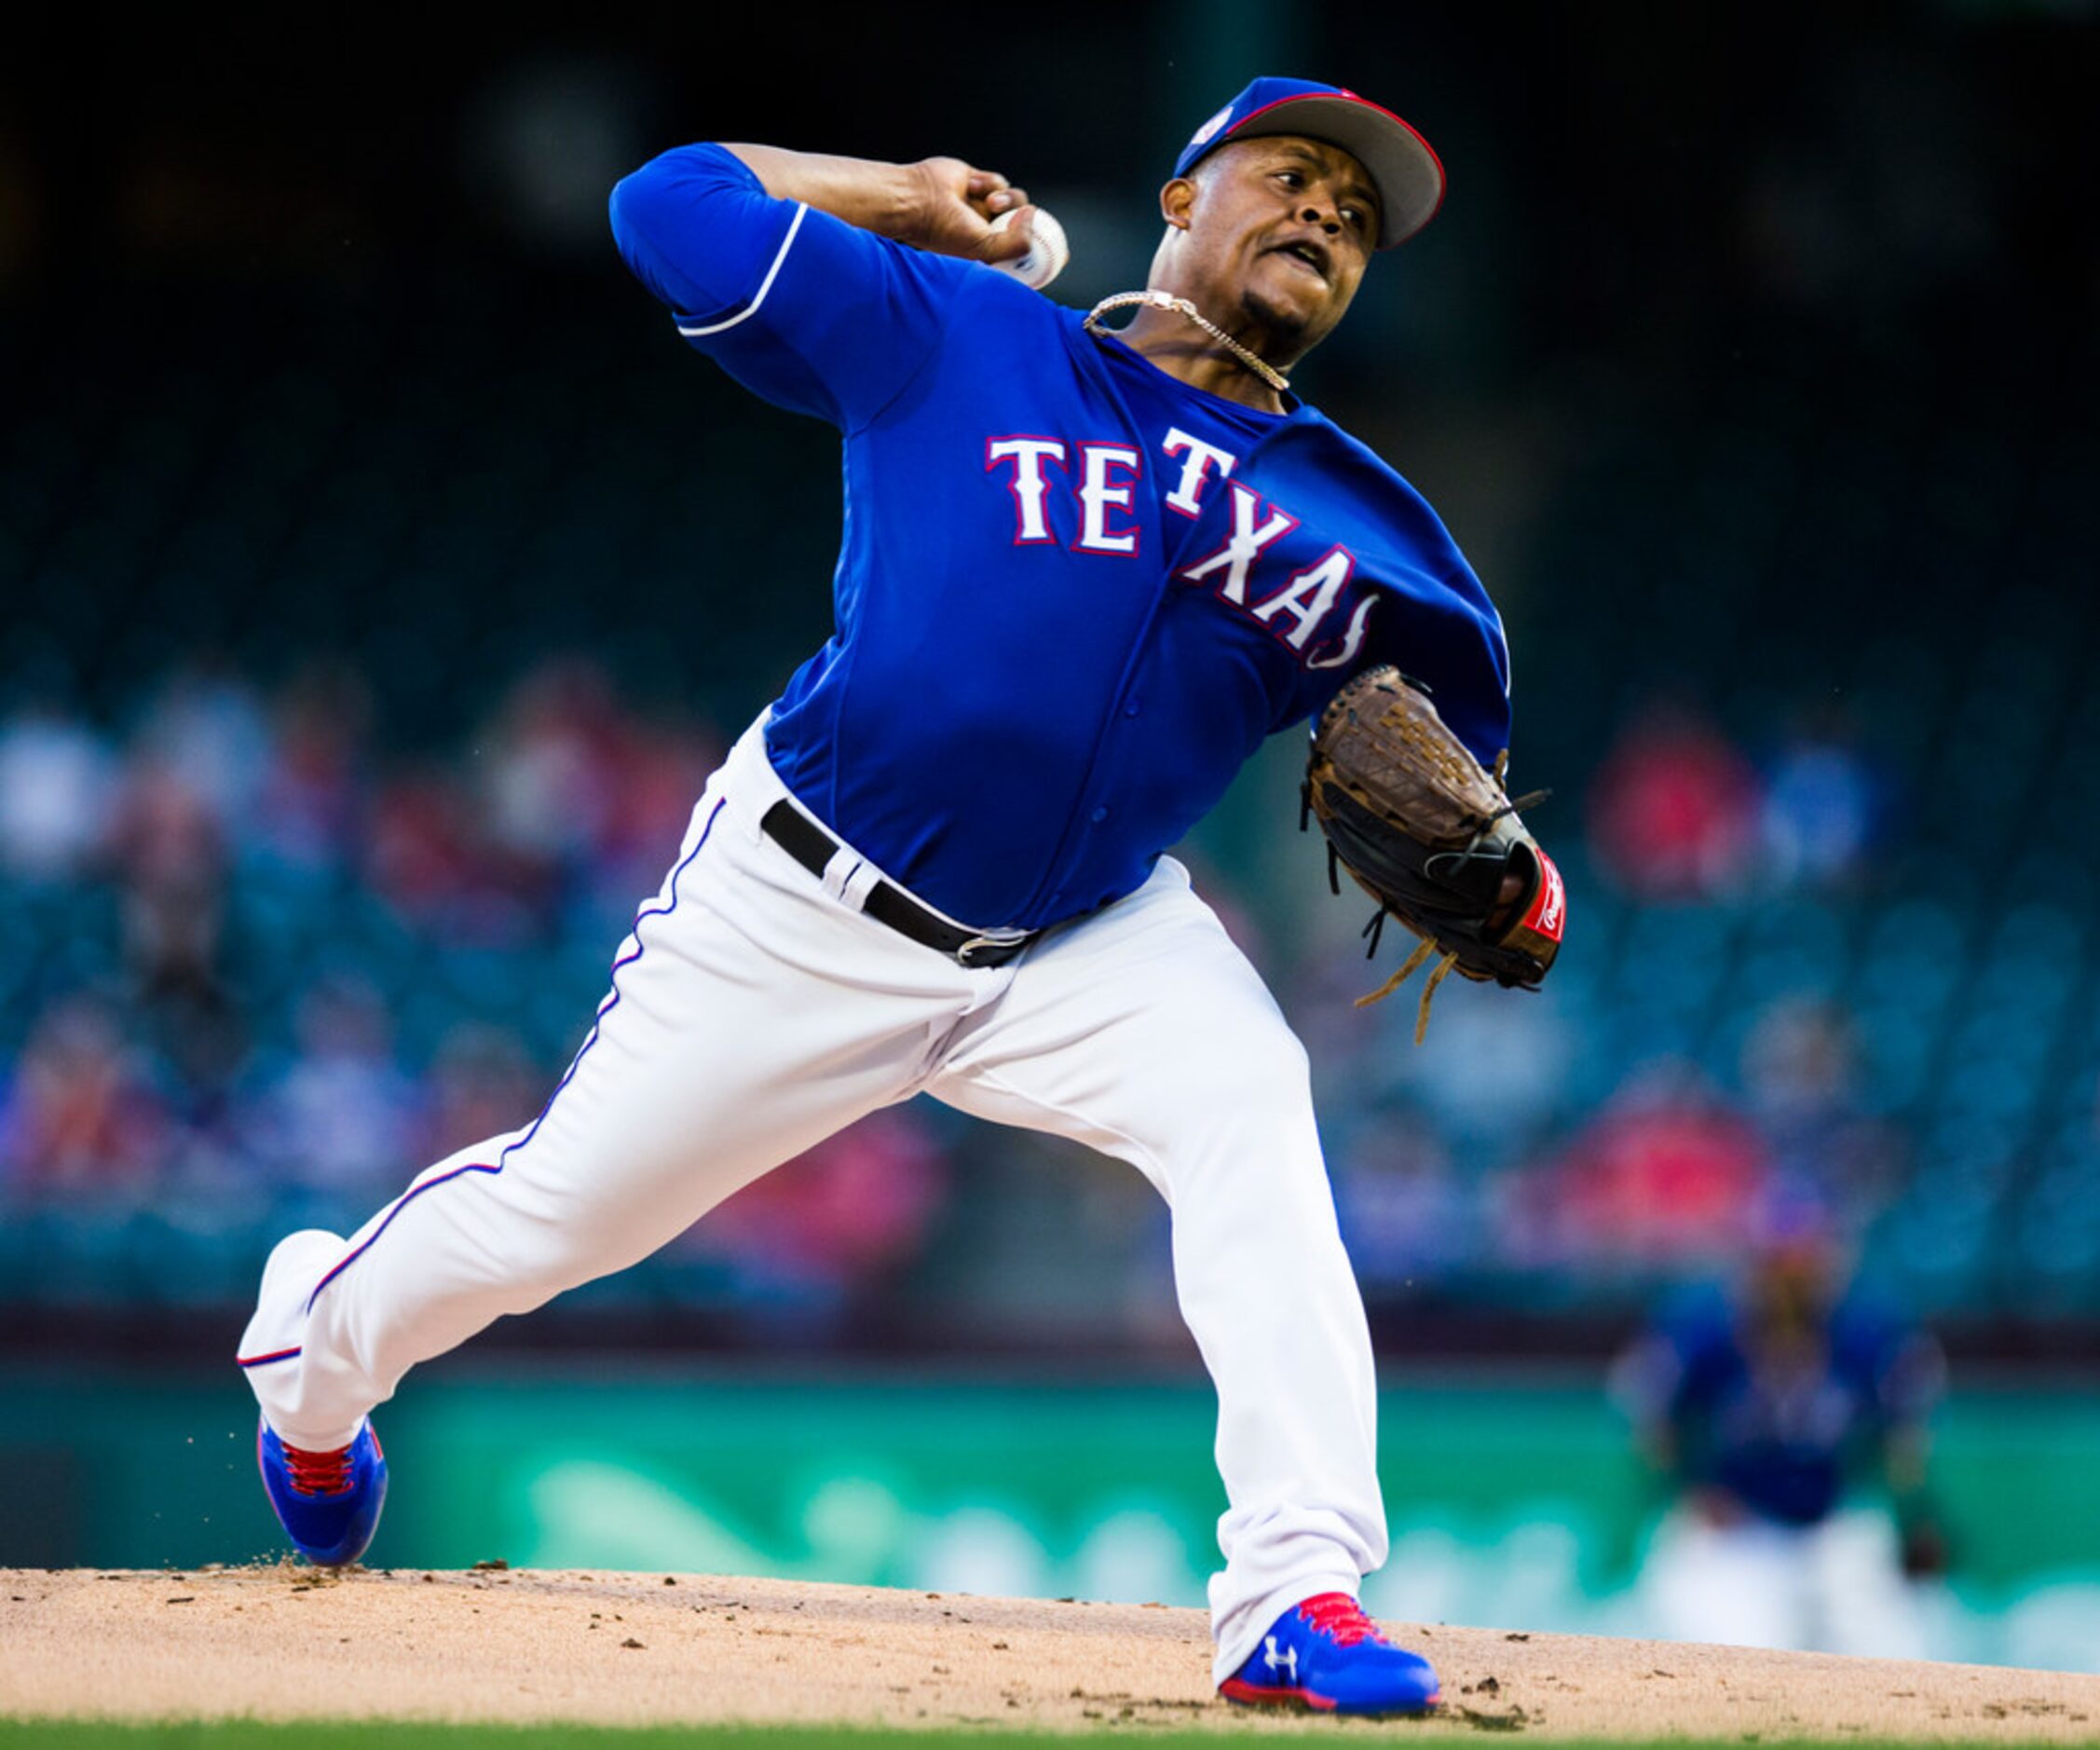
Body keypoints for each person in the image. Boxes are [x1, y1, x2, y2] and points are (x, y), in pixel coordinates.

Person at [237, 76, 1534, 1716]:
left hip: (1088, 935)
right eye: (1289, 179)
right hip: (804, 900)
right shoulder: (962, 333)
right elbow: (666, 208)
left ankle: (1296, 1593)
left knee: (1252, 1104)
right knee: (557, 1217)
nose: (1322, 221)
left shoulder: (1360, 521)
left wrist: (1520, 891)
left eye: (1352, 223)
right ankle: (310, 1357)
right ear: (1179, 193)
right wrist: (904, 195)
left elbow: (1470, 765)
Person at [1611, 1189, 1950, 1656]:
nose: (1793, 1276)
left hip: (1832, 1526)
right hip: (1734, 1531)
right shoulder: (1703, 1326)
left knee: (1898, 1654)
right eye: (1780, 1260)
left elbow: (1903, 1435)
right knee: (1735, 1656)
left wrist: (1917, 1517)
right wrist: (1690, 1487)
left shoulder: (1870, 1330)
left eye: (1806, 1258)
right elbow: (1651, 1417)